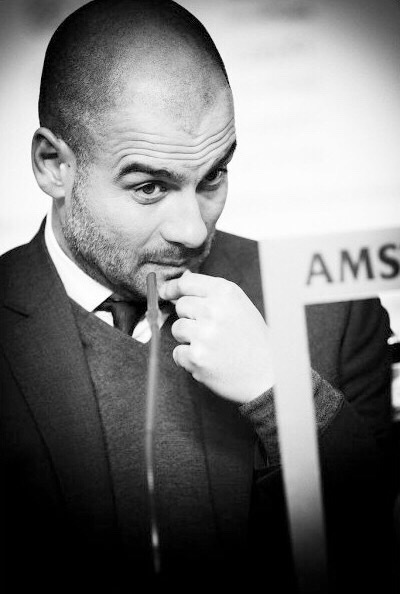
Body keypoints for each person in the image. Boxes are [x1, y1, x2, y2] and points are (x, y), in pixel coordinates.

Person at [0, 1, 393, 592]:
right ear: (53, 164)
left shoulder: (329, 314)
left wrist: (279, 392)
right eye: (149, 187)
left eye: (212, 176)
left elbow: (374, 547)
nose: (192, 230)